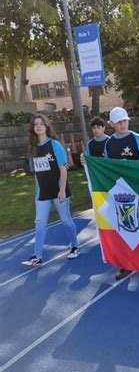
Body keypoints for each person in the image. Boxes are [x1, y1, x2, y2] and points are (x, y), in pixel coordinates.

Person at [22, 114, 80, 267]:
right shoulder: (33, 148)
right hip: (43, 194)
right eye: (36, 124)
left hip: (59, 191)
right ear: (33, 128)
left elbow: (63, 169)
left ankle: (75, 246)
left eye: (41, 123)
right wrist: (36, 193)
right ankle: (37, 256)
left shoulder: (54, 144)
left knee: (66, 220)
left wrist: (62, 190)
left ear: (47, 126)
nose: (39, 126)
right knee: (39, 224)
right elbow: (36, 173)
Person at [104, 107, 139, 279]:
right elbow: (106, 167)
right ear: (111, 124)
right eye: (118, 122)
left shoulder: (137, 139)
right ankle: (126, 263)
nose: (122, 124)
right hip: (121, 194)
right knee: (125, 228)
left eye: (124, 121)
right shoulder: (109, 143)